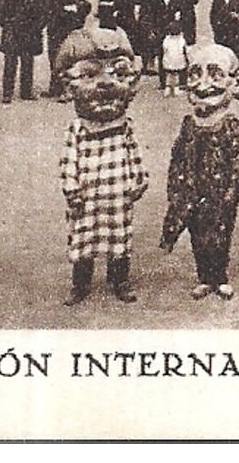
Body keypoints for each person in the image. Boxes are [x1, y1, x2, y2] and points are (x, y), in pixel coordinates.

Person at [58, 26, 148, 305]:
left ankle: (119, 279)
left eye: (118, 73)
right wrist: (71, 186)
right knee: (84, 239)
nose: (106, 83)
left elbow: (133, 151)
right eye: (89, 74)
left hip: (118, 195)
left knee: (119, 239)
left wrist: (138, 177)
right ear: (68, 84)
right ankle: (80, 284)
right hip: (86, 197)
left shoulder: (124, 126)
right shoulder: (78, 128)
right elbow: (69, 159)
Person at [160, 43, 239, 300]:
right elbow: (177, 157)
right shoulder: (189, 124)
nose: (203, 84)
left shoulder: (229, 125)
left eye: (215, 74)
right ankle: (204, 277)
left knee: (219, 234)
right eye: (195, 74)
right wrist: (175, 189)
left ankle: (219, 277)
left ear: (236, 82)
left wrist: (232, 191)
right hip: (193, 190)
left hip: (220, 194)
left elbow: (238, 160)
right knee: (198, 235)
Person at [0, 0, 47, 104]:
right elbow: (1, 16)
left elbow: (43, 17)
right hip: (13, 36)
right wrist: (10, 26)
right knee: (10, 65)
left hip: (30, 36)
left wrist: (34, 28)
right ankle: (7, 93)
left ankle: (26, 91)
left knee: (27, 64)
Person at [160, 19, 188, 97]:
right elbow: (184, 49)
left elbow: (164, 49)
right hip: (178, 60)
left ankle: (167, 89)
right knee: (176, 75)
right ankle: (176, 88)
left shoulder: (166, 39)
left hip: (168, 60)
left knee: (169, 75)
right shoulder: (181, 40)